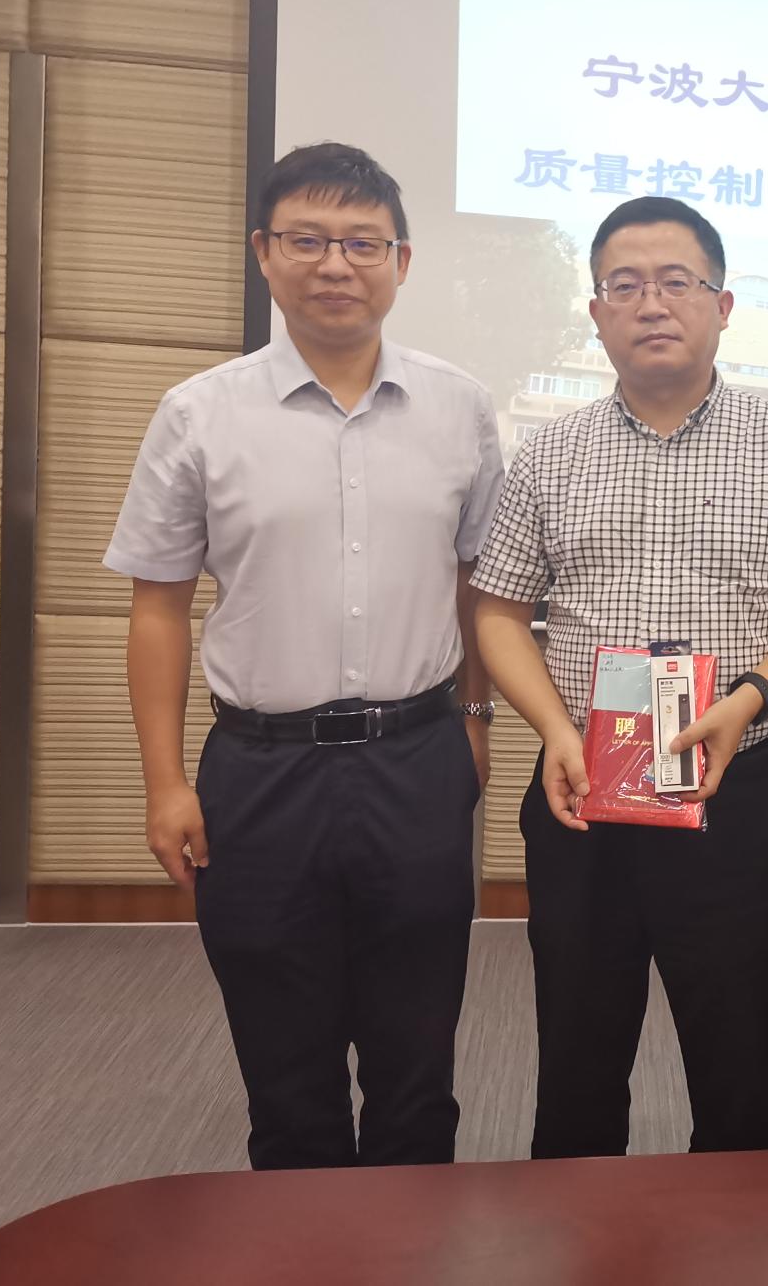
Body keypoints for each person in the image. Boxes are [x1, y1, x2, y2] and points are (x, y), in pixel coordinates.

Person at [106, 142, 505, 1169]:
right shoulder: (199, 413)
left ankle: (409, 1239)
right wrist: (164, 783)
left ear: (401, 262)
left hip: (416, 761)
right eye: (308, 240)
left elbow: (478, 586)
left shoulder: (460, 408)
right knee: (287, 1080)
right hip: (259, 772)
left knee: (418, 1070)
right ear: (264, 253)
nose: (336, 264)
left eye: (362, 243)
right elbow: (158, 609)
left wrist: (473, 720)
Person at [470, 195, 768, 1158]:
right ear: (597, 312)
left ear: (723, 306)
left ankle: (736, 1225)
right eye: (625, 286)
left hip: (736, 787)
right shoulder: (550, 451)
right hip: (583, 787)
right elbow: (498, 612)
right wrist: (556, 732)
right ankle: (578, 1221)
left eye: (676, 282)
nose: (652, 304)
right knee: (578, 1051)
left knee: (738, 1057)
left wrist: (748, 700)